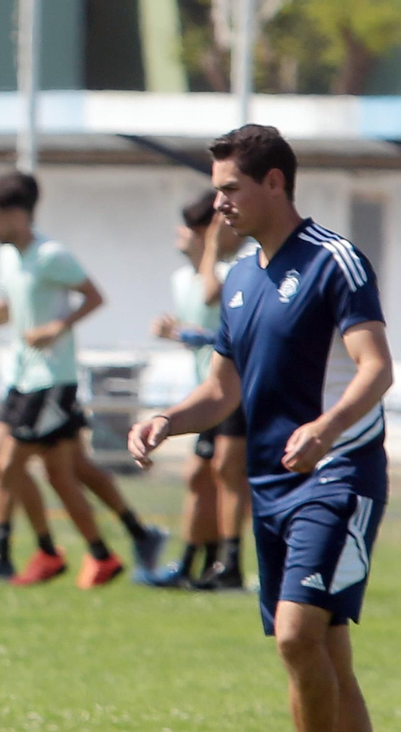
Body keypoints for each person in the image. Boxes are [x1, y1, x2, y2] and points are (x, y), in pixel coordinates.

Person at [129, 125, 396, 732]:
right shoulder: (242, 279)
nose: (219, 202)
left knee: (295, 635)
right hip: (271, 487)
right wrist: (166, 420)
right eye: (216, 188)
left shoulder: (335, 261)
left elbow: (375, 367)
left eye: (230, 188)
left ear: (275, 182)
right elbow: (222, 389)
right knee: (327, 654)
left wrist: (325, 426)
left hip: (337, 474)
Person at [0, 171, 164, 588]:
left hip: (51, 378)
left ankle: (30, 553)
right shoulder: (9, 257)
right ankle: (129, 541)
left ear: (17, 215)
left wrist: (58, 327)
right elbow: (15, 311)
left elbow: (95, 297)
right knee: (68, 470)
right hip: (21, 376)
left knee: (9, 462)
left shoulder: (51, 255)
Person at [147, 191, 250, 590]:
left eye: (193, 228)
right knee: (199, 475)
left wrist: (210, 247)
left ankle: (231, 563)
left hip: (235, 386)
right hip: (206, 389)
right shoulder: (182, 279)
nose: (182, 234)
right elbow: (205, 333)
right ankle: (194, 560)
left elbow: (213, 297)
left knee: (228, 471)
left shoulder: (240, 264)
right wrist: (174, 333)